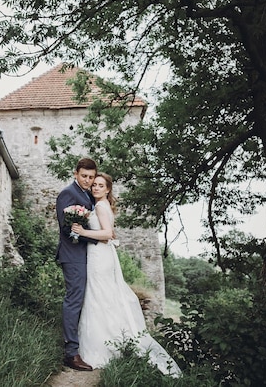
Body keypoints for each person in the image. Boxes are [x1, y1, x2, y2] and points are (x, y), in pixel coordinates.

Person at [71, 173, 182, 377]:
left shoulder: (102, 207)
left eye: (100, 185)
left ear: (107, 189)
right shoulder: (101, 206)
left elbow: (106, 234)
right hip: (100, 255)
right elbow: (111, 233)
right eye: (93, 185)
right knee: (102, 297)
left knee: (98, 297)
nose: (95, 188)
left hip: (100, 257)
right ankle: (111, 340)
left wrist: (83, 231)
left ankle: (104, 347)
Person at [55, 157, 99, 371]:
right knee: (73, 300)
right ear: (75, 174)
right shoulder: (68, 193)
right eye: (84, 176)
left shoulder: (88, 195)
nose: (88, 180)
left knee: (86, 299)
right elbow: (66, 229)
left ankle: (85, 343)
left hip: (86, 255)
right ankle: (71, 353)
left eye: (91, 177)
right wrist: (96, 238)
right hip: (72, 255)